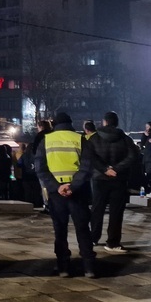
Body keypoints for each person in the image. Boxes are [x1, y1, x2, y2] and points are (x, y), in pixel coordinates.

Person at [36, 112, 96, 278]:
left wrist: (57, 187)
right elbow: (87, 166)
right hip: (79, 191)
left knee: (60, 230)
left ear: (54, 123)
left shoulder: (46, 140)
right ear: (70, 123)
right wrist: (74, 185)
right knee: (83, 229)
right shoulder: (80, 139)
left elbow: (40, 168)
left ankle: (63, 267)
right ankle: (89, 267)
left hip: (57, 194)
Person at [88, 111, 139, 253]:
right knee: (116, 212)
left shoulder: (94, 138)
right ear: (116, 123)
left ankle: (93, 237)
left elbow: (90, 157)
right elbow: (132, 156)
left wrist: (104, 169)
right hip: (119, 178)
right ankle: (113, 242)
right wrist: (116, 169)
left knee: (97, 209)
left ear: (104, 122)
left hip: (99, 178)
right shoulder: (125, 139)